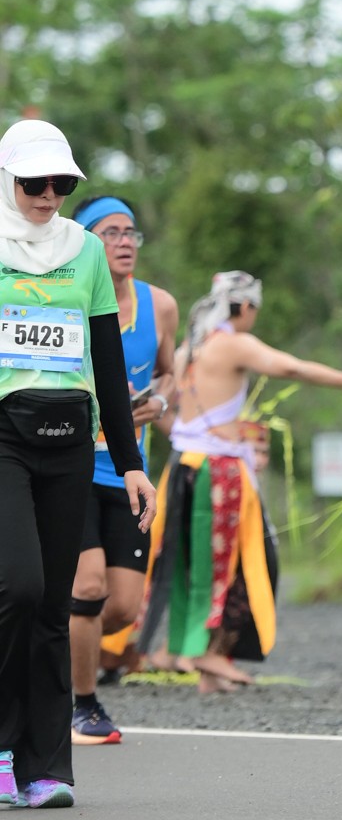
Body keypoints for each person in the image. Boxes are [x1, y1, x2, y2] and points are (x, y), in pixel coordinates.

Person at [0, 120, 157, 812]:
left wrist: (130, 463)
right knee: (20, 587)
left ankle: (43, 768)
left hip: (70, 437)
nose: (47, 195)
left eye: (60, 183)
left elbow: (107, 358)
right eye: (33, 183)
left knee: (52, 608)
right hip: (4, 435)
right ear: (8, 181)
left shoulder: (85, 251)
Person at [138, 271, 342, 692]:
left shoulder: (190, 348)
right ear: (246, 306)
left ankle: (208, 663)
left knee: (197, 563)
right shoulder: (231, 342)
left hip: (182, 466)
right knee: (236, 562)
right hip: (217, 472)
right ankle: (207, 652)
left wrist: (190, 435)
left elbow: (155, 405)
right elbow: (289, 366)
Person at [66, 197, 178, 746]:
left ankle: (42, 654)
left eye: (131, 231)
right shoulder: (64, 297)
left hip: (128, 472)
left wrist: (160, 402)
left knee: (121, 609)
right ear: (85, 241)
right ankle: (82, 705)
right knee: (87, 587)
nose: (125, 241)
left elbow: (169, 373)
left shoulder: (161, 306)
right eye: (110, 232)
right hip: (71, 465)